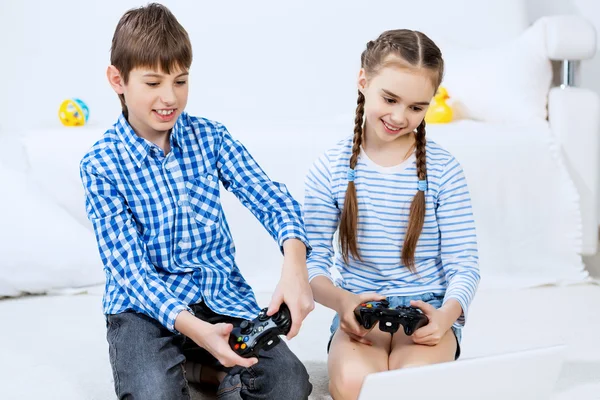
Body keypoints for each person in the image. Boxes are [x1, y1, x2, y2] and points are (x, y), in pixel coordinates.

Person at [79, 4, 313, 399]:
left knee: (289, 385)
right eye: (153, 83)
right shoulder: (100, 164)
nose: (169, 98)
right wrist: (196, 331)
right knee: (154, 393)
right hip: (143, 308)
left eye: (180, 81)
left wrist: (295, 265)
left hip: (218, 296)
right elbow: (130, 272)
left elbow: (273, 199)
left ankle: (205, 369)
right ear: (117, 80)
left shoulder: (211, 138)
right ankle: (201, 365)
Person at [304, 29, 481, 400]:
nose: (400, 116)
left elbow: (464, 263)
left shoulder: (443, 170)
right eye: (390, 98)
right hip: (361, 311)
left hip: (427, 310)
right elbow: (313, 262)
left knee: (409, 386)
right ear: (363, 81)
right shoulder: (330, 167)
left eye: (417, 107)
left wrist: (446, 316)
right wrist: (342, 303)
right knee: (355, 387)